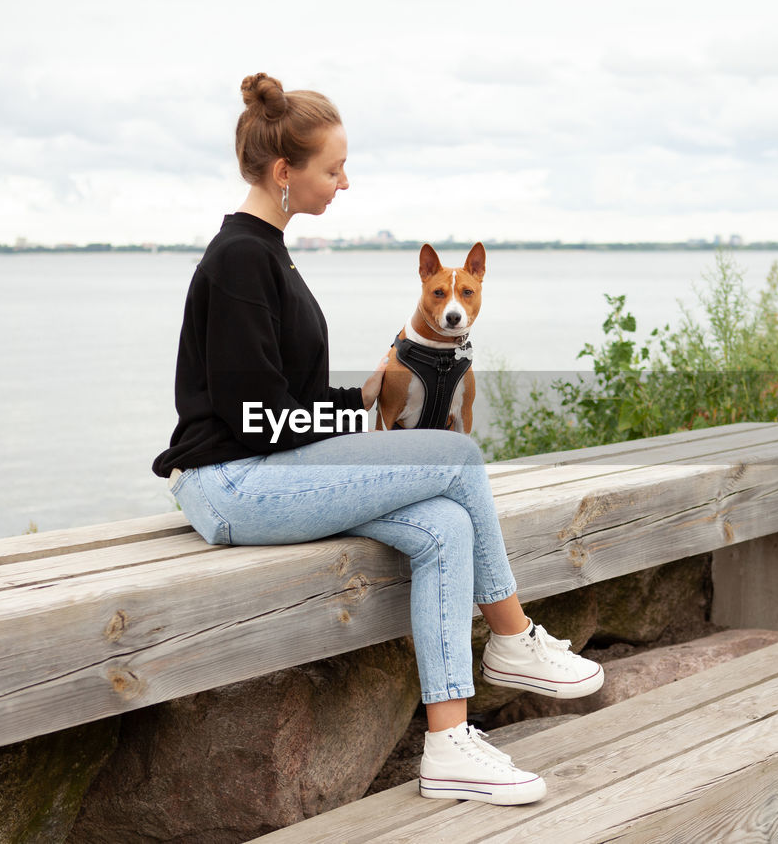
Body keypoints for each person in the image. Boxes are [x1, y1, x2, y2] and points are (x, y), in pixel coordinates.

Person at [152, 73, 603, 806]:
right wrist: (358, 422)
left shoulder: (271, 253)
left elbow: (289, 400)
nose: (344, 181)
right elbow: (252, 418)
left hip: (272, 465)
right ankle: (513, 636)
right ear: (283, 172)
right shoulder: (239, 259)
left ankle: (450, 741)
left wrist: (367, 397)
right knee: (458, 455)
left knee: (446, 522)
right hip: (231, 481)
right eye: (333, 169)